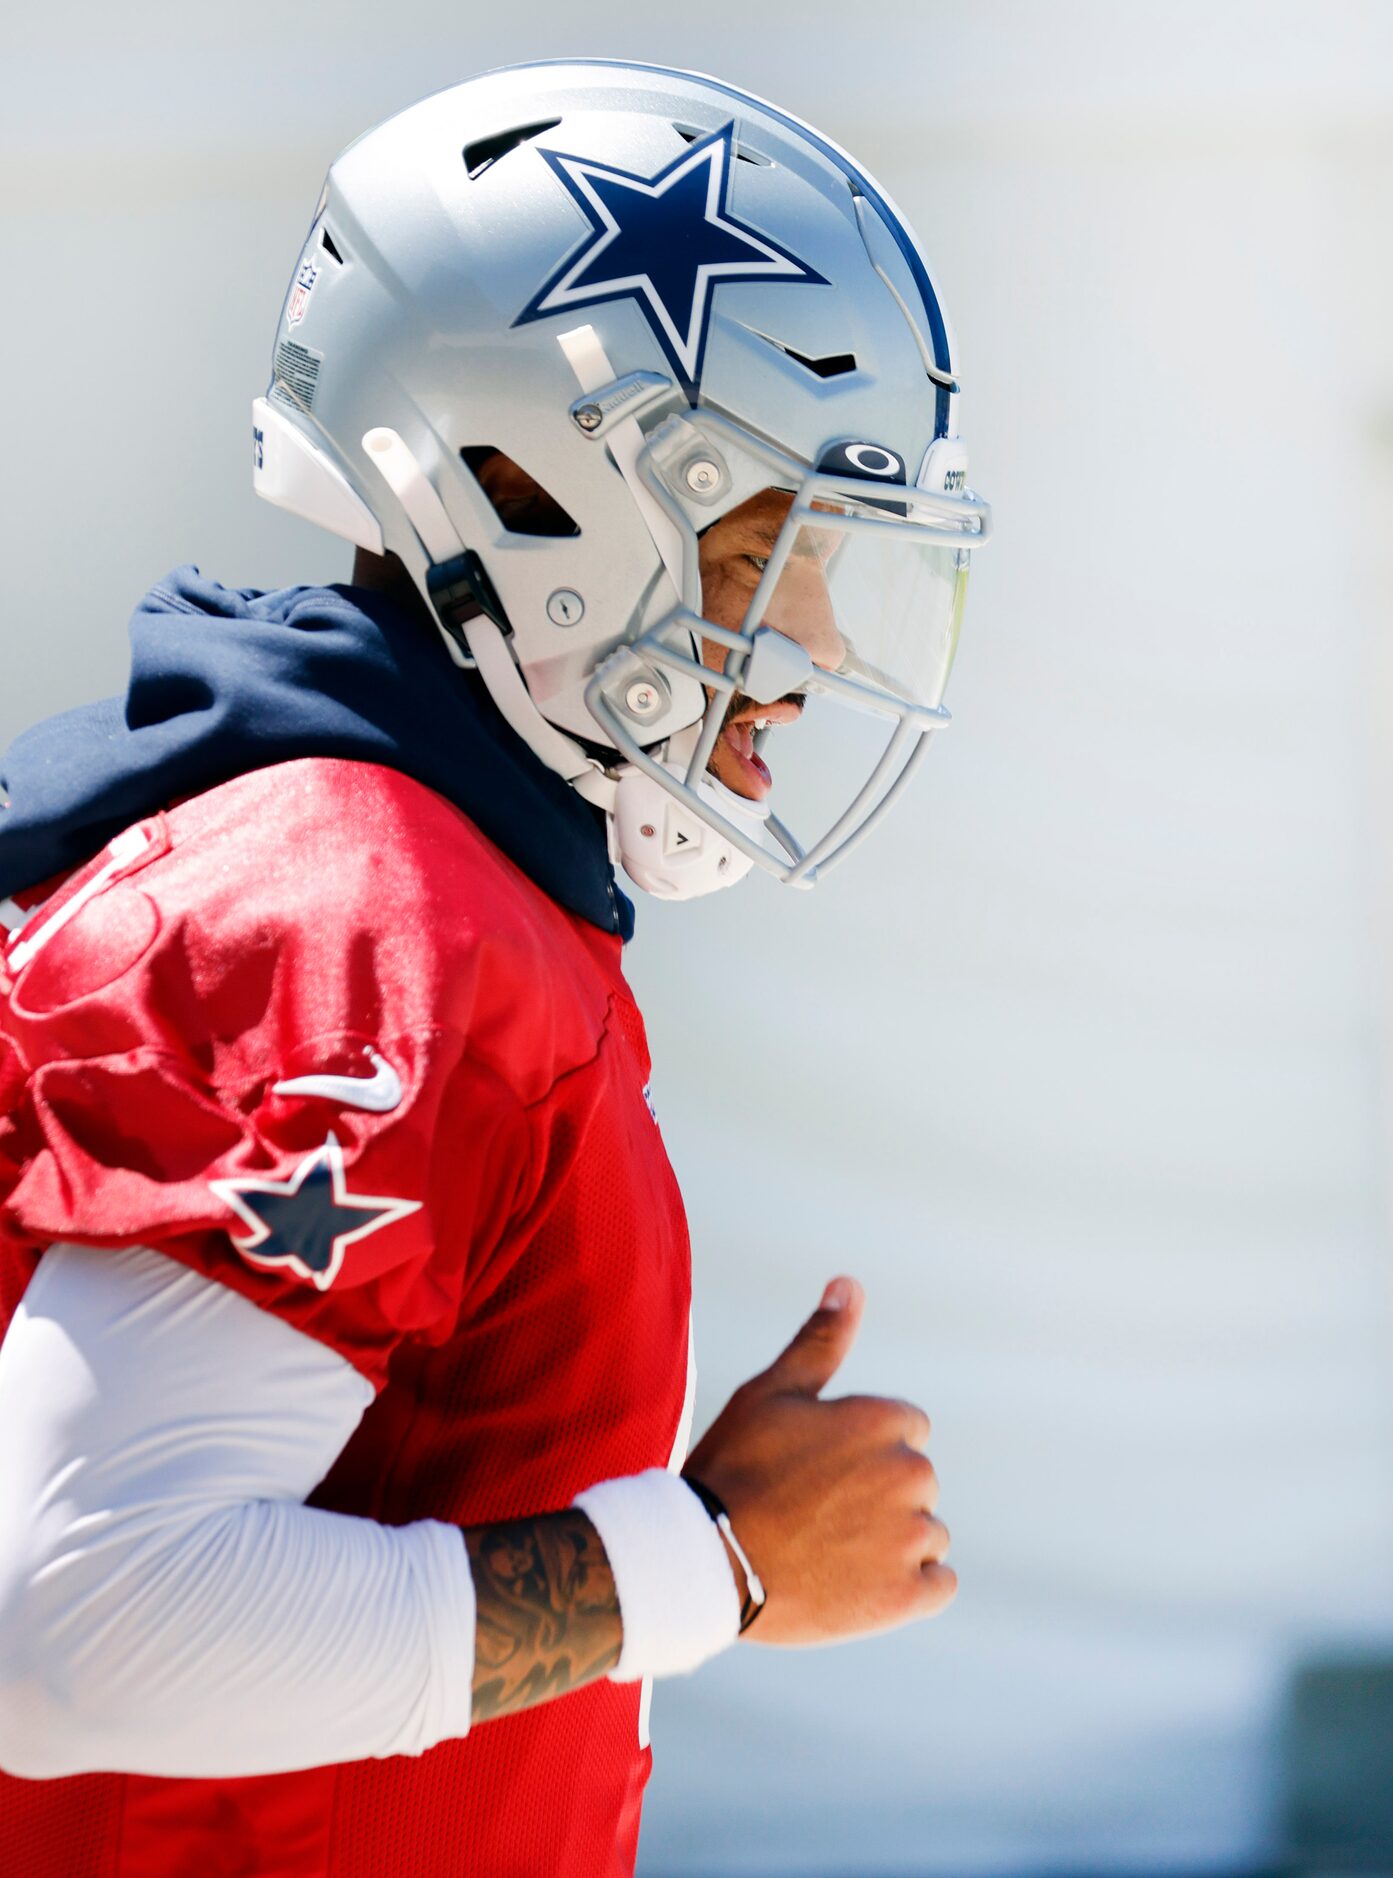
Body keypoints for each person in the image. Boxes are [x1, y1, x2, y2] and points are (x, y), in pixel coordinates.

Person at [0, 58, 991, 1878]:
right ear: (529, 491)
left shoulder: (415, 880)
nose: (806, 653)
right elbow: (73, 1622)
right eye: (766, 546)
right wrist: (717, 1561)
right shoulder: (362, 916)